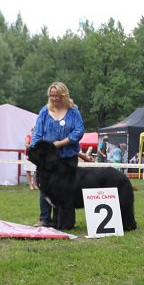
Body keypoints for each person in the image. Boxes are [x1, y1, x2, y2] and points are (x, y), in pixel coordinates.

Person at [29, 81, 85, 227]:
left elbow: (79, 131)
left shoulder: (73, 111)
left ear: (64, 95)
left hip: (68, 157)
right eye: (52, 96)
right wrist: (33, 149)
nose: (54, 99)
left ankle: (62, 221)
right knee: (46, 188)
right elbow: (38, 133)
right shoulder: (44, 111)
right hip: (47, 160)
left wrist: (61, 143)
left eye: (57, 96)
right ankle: (44, 219)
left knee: (66, 191)